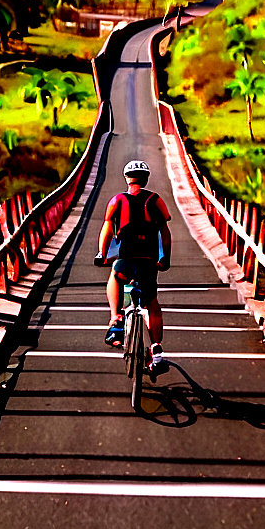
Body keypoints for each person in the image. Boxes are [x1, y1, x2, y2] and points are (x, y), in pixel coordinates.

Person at [94, 160, 172, 374]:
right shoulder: (155, 200)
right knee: (152, 304)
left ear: (127, 179)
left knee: (116, 276)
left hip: (126, 259)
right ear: (146, 179)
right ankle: (156, 349)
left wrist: (102, 253)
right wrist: (165, 258)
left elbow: (107, 229)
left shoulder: (116, 200)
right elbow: (165, 232)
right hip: (148, 262)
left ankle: (115, 318)